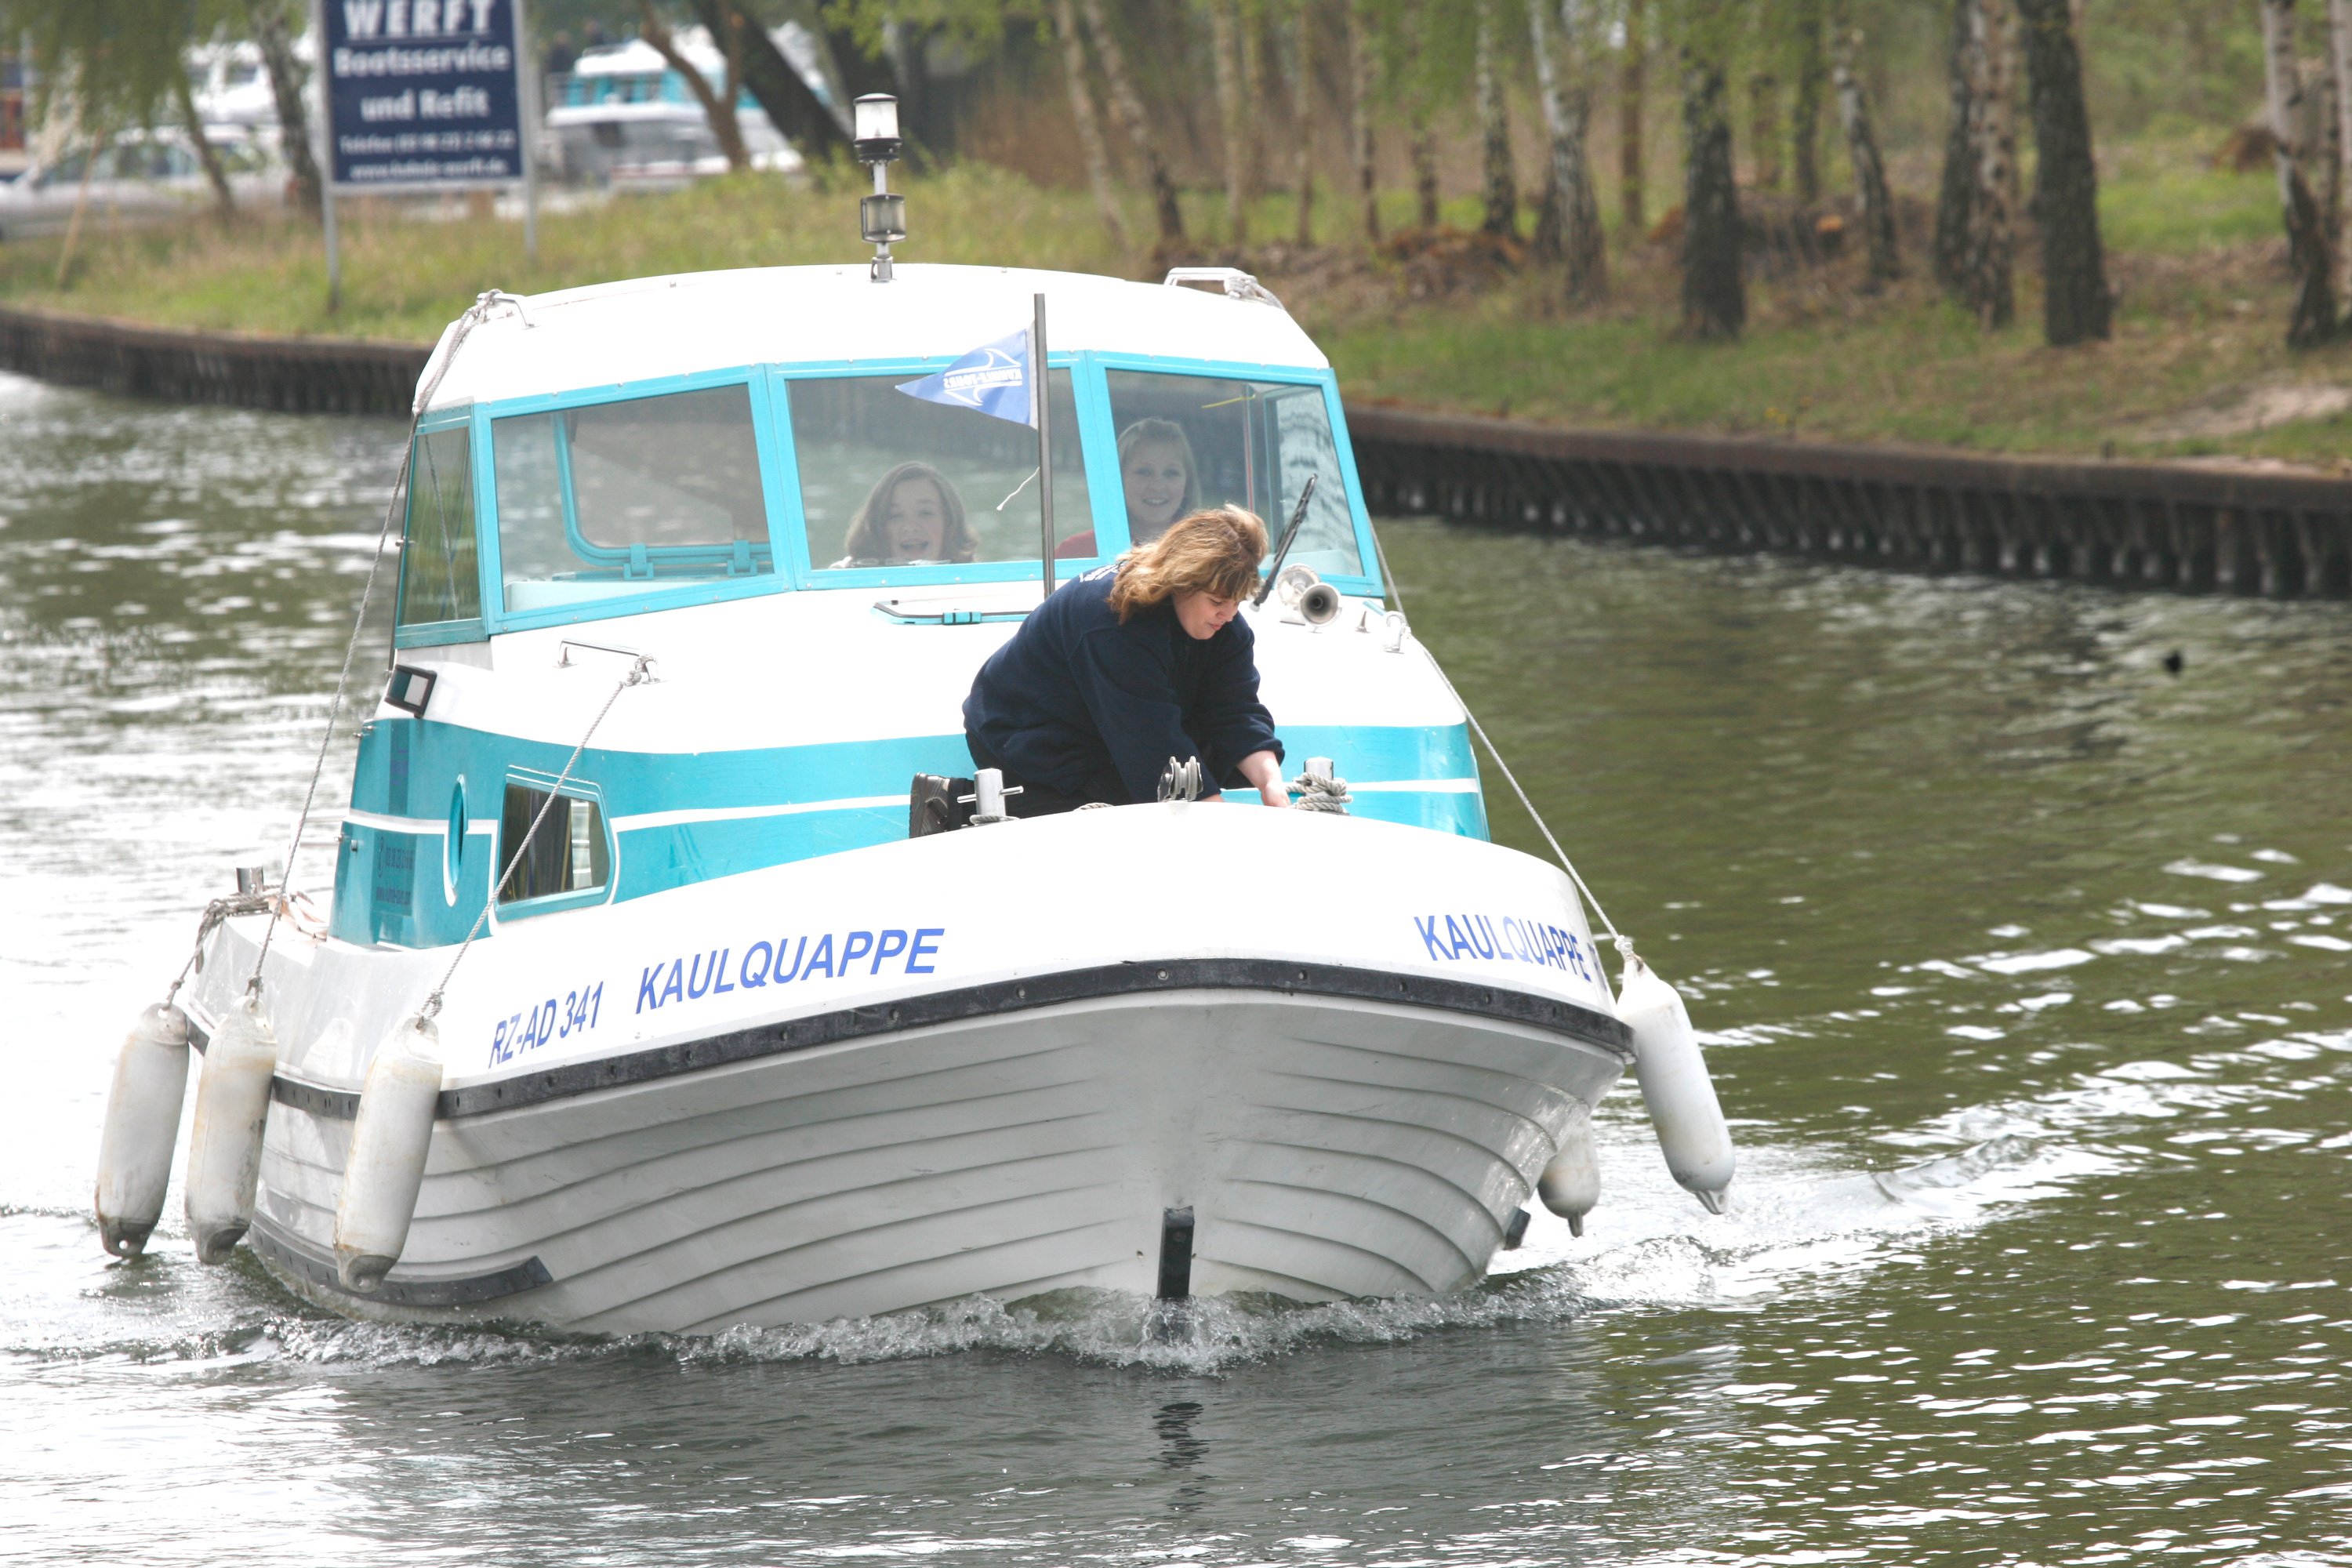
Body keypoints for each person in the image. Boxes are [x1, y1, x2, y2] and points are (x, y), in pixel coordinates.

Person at [964, 505, 1287, 813]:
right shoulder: (1113, 623)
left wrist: (1271, 784)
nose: (1229, 615)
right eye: (1217, 601)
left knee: (1207, 766)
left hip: (1112, 719)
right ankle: (953, 807)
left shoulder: (1224, 625)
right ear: (1181, 583)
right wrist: (1221, 825)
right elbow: (1149, 742)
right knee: (1128, 801)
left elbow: (1235, 710)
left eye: (1237, 602)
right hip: (1026, 727)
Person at [1053, 418, 1198, 559]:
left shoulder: (1205, 555)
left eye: (1171, 473)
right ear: (1118, 480)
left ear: (1187, 484)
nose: (1157, 485)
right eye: (1143, 472)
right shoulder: (1074, 552)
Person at [833, 462, 976, 567]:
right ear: (876, 526)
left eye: (925, 513)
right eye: (895, 515)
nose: (910, 527)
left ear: (949, 522)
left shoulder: (983, 583)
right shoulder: (842, 579)